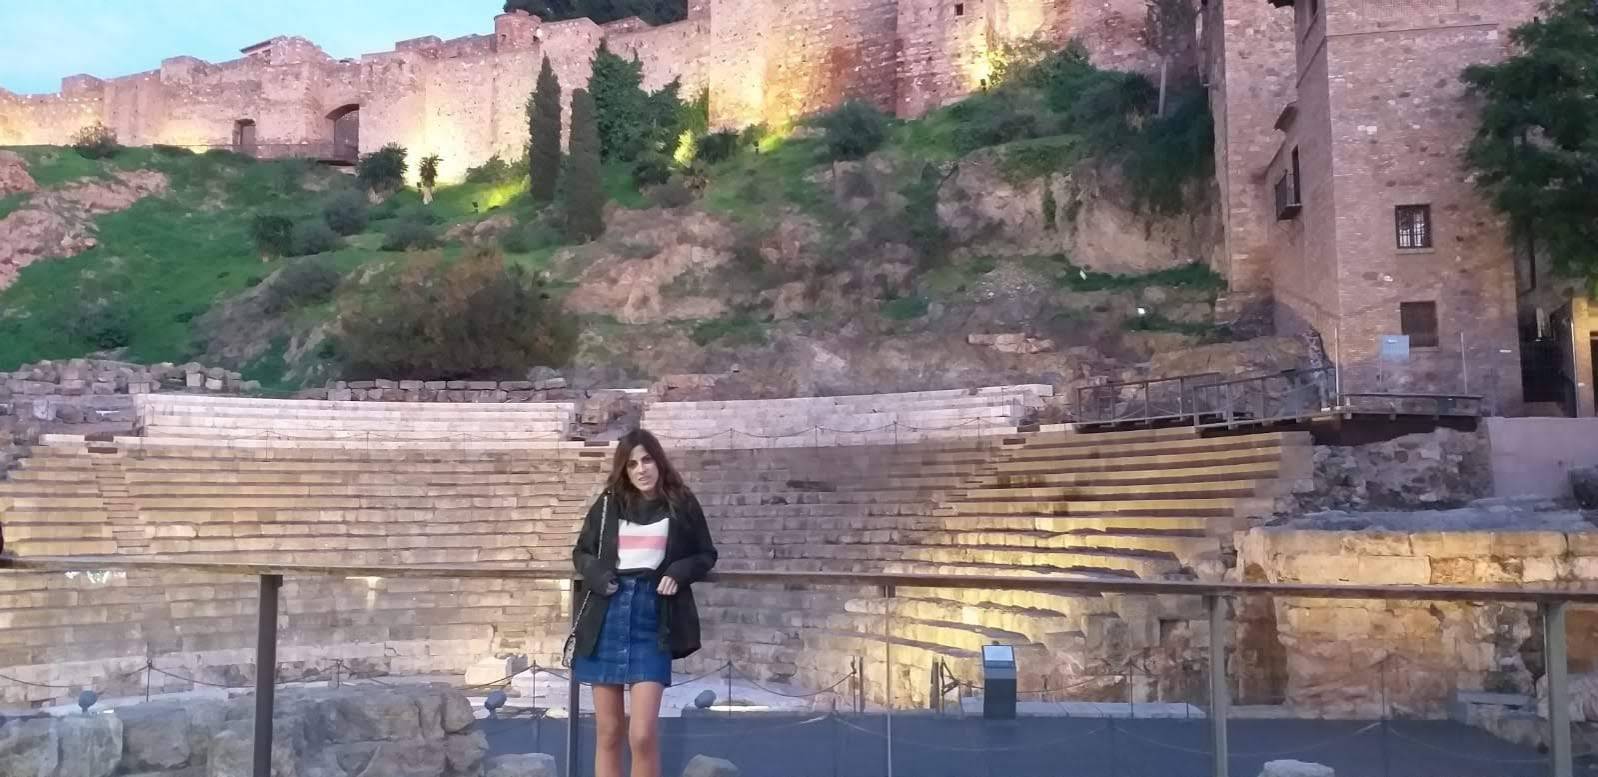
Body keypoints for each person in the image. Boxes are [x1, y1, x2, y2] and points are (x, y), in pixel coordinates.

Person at [570, 429, 718, 777]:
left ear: (658, 460)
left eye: (647, 459)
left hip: (653, 618)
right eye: (632, 464)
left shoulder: (681, 502)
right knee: (608, 733)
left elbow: (706, 553)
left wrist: (680, 571)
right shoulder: (608, 504)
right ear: (624, 470)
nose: (641, 470)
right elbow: (582, 553)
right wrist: (597, 574)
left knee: (642, 734)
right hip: (607, 614)